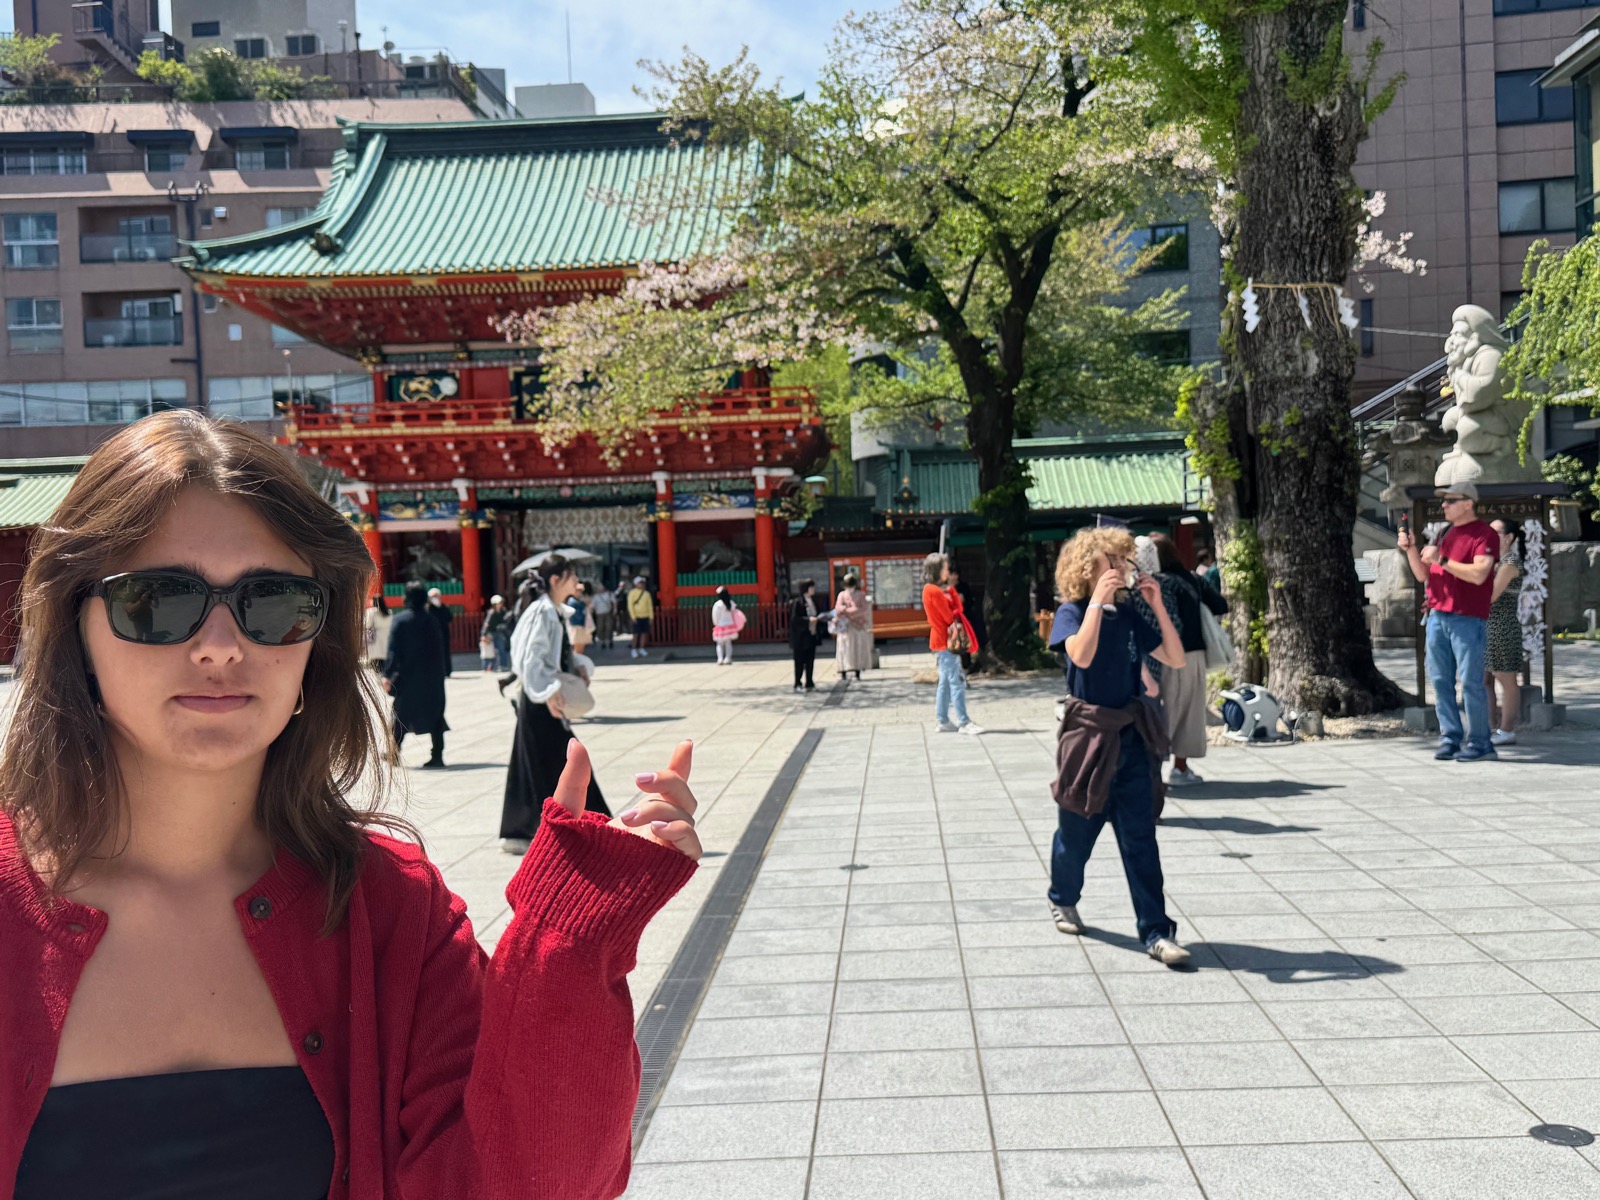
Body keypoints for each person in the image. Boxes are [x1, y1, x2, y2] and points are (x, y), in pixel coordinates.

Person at [0, 411, 701, 1199]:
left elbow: (517, 1184)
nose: (223, 646)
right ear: (74, 625)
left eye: (273, 603)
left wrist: (571, 941)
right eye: (157, 601)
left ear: (317, 636)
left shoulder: (389, 911)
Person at [1046, 527, 1192, 965]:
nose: (1122, 569)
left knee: (1140, 838)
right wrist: (1095, 603)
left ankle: (1156, 932)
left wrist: (1157, 606)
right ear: (1088, 568)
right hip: (1087, 739)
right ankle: (1062, 896)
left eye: (1124, 561)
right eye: (1113, 561)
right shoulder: (1071, 613)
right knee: (1076, 836)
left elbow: (1176, 657)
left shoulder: (1129, 614)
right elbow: (1082, 656)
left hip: (1131, 737)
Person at [500, 556, 611, 855]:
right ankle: (586, 822)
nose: (576, 581)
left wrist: (579, 667)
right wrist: (548, 692)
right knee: (561, 760)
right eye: (571, 575)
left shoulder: (556, 612)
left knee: (546, 761)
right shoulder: (541, 612)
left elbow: (554, 656)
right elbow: (530, 657)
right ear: (555, 580)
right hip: (541, 699)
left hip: (545, 696)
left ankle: (541, 827)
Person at [1400, 483, 1499, 762]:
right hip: (1437, 617)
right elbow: (1424, 576)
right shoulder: (1445, 533)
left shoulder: (1484, 533)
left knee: (1471, 683)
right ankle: (1450, 737)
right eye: (1443, 502)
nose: (1443, 506)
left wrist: (1441, 559)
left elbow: (1480, 573)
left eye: (1450, 501)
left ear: (1468, 503)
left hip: (1467, 619)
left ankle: (1481, 743)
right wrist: (1410, 550)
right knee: (1441, 681)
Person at [1149, 532, 1228, 787]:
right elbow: (1220, 604)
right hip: (1188, 653)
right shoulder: (1190, 579)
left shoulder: (1150, 582)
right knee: (1186, 711)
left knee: (1161, 710)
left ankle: (1152, 768)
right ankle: (1179, 768)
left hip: (1150, 653)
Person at [385, 583, 451, 769]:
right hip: (432, 677)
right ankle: (437, 755)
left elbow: (392, 651)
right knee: (436, 715)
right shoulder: (432, 620)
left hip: (408, 677)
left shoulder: (400, 621)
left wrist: (388, 675)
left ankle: (393, 753)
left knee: (400, 715)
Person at [921, 553, 983, 735]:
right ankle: (963, 721)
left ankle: (943, 719)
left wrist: (951, 591)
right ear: (937, 570)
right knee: (956, 680)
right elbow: (949, 615)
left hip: (942, 639)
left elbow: (957, 609)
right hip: (946, 639)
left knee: (946, 682)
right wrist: (952, 594)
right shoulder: (934, 591)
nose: (948, 571)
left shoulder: (933, 589)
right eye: (945, 568)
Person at [1486, 518, 1526, 747]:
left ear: (1509, 537)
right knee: (1485, 679)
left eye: (1495, 532)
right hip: (1485, 626)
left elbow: (1490, 595)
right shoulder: (1493, 560)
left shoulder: (1510, 562)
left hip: (1502, 626)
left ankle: (1507, 729)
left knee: (1506, 678)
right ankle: (1490, 727)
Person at [833, 573, 872, 680]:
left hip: (857, 626)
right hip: (845, 626)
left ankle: (857, 671)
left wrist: (848, 611)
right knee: (843, 649)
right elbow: (838, 607)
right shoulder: (841, 595)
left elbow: (863, 609)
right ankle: (843, 670)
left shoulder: (861, 595)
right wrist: (844, 610)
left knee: (856, 648)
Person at [789, 579, 821, 691]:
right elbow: (794, 619)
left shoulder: (813, 601)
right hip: (801, 636)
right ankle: (797, 682)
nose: (813, 589)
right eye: (811, 587)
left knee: (810, 659)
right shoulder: (797, 602)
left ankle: (809, 681)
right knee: (799, 660)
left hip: (811, 633)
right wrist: (808, 620)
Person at [425, 587, 454, 676]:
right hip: (431, 634)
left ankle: (447, 671)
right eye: (432, 597)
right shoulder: (428, 608)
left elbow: (450, 618)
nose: (434, 598)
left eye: (436, 596)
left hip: (443, 633)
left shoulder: (444, 607)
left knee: (445, 652)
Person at [711, 586, 743, 665]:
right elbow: (734, 614)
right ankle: (728, 658)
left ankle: (720, 659)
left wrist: (716, 623)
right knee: (728, 643)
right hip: (730, 625)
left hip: (721, 625)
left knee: (719, 644)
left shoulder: (718, 604)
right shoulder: (731, 603)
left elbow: (715, 615)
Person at [481, 593, 512, 671]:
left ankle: (503, 665)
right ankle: (488, 666)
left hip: (499, 632)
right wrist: (484, 634)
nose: (500, 604)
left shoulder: (503, 611)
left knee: (501, 649)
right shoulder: (491, 613)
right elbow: (487, 624)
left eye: (501, 603)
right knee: (490, 650)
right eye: (498, 603)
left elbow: (506, 621)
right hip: (491, 633)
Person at [363, 593, 393, 671]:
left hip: (375, 639)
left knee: (375, 664)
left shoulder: (371, 612)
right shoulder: (389, 612)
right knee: (384, 663)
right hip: (386, 637)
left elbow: (367, 625)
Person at [627, 576, 654, 658]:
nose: (641, 584)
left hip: (645, 615)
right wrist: (633, 616)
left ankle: (642, 648)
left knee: (644, 633)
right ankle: (634, 649)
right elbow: (630, 605)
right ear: (636, 584)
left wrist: (651, 616)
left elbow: (650, 606)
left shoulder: (647, 594)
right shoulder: (632, 593)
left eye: (642, 583)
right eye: (639, 583)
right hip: (637, 616)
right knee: (636, 634)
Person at [568, 581, 594, 656]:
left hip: (580, 624)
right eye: (579, 591)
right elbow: (576, 614)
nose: (581, 593)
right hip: (577, 625)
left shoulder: (578, 601)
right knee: (578, 647)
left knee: (581, 647)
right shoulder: (573, 602)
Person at [590, 580, 616, 650]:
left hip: (608, 613)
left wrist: (614, 610)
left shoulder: (609, 594)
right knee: (600, 628)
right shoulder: (595, 596)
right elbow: (592, 605)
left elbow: (614, 602)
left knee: (609, 627)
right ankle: (602, 641)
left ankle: (609, 640)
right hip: (599, 614)